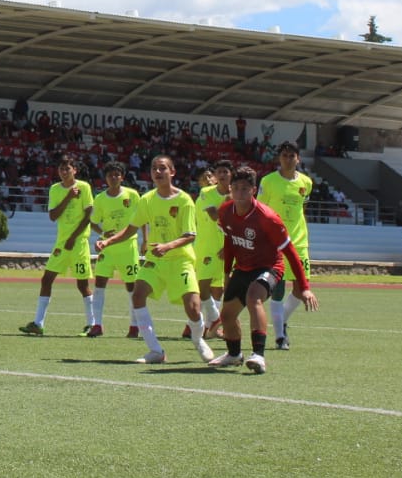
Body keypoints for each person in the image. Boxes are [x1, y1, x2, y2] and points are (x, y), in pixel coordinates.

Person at [96, 155, 211, 364]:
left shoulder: (184, 199)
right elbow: (131, 229)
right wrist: (108, 241)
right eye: (154, 169)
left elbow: (190, 235)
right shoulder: (147, 199)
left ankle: (198, 339)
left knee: (193, 307)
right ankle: (155, 350)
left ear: (172, 172)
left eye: (162, 169)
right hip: (155, 261)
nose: (157, 172)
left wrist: (167, 247)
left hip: (180, 260)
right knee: (138, 295)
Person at [208, 164, 317, 374]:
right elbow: (229, 241)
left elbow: (291, 252)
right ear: (230, 189)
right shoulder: (225, 211)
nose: (240, 192)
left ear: (254, 190)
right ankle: (233, 354)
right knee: (228, 315)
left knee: (253, 297)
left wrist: (303, 287)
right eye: (236, 188)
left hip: (270, 266)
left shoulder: (267, 217)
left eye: (245, 188)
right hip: (243, 267)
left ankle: (258, 355)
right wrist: (226, 273)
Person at [20, 155, 97, 337]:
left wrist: (73, 237)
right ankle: (38, 323)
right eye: (61, 169)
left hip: (78, 244)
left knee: (82, 284)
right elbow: (53, 216)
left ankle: (93, 324)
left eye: (67, 168)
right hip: (61, 244)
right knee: (46, 279)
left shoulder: (84, 187)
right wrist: (69, 197)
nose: (64, 172)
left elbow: (88, 217)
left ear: (74, 170)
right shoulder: (55, 189)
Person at [258, 141, 313, 350]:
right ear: (279, 158)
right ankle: (280, 336)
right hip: (275, 243)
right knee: (278, 289)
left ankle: (282, 321)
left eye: (292, 156)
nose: (288, 159)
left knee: (301, 288)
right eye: (284, 155)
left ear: (298, 158)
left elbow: (302, 208)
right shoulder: (268, 181)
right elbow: (261, 210)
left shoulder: (306, 182)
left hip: (299, 243)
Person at [86, 160, 143, 339]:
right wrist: (103, 232)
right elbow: (93, 221)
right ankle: (97, 325)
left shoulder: (132, 195)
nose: (114, 178)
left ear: (122, 177)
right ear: (106, 178)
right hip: (108, 248)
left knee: (131, 285)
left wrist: (146, 240)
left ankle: (134, 326)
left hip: (128, 247)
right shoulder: (101, 198)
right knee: (100, 284)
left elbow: (143, 217)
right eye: (111, 175)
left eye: (117, 174)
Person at [190, 160, 233, 340]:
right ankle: (213, 320)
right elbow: (216, 216)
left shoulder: (238, 193)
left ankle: (209, 327)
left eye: (225, 172)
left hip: (226, 246)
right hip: (206, 246)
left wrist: (229, 246)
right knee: (202, 286)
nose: (221, 175)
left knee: (221, 288)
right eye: (219, 172)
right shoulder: (206, 193)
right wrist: (230, 200)